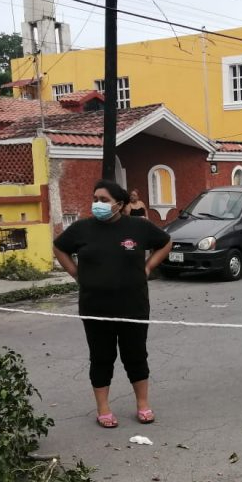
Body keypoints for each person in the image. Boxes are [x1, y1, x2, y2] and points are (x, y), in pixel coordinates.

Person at [53, 180, 172, 428]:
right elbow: (59, 247)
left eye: (104, 200)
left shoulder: (138, 227)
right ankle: (103, 409)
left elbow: (165, 242)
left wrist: (149, 267)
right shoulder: (82, 229)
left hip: (133, 305)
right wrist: (76, 274)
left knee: (136, 355)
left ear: (119, 204)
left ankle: (142, 404)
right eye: (96, 198)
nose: (98, 204)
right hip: (95, 307)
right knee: (101, 357)